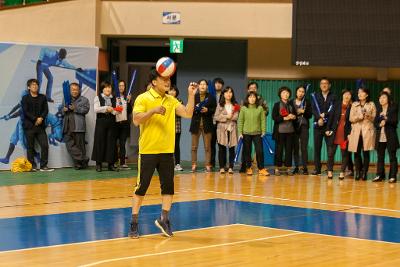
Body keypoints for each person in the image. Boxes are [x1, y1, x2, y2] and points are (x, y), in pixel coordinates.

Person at [129, 68, 197, 238]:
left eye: (169, 79)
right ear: (154, 82)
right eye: (163, 79)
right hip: (148, 151)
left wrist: (191, 94)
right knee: (141, 188)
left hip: (167, 151)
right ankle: (134, 223)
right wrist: (152, 111)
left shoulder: (171, 100)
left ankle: (164, 219)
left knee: (168, 188)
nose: (168, 82)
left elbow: (188, 113)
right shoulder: (143, 98)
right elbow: (136, 120)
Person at [21, 79, 53, 172]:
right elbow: (25, 111)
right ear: (28, 87)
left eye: (36, 84)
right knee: (30, 147)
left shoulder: (42, 97)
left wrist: (41, 118)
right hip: (29, 126)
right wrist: (35, 119)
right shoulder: (25, 98)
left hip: (40, 126)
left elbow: (45, 110)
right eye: (33, 85)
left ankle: (43, 166)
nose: (35, 86)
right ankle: (32, 166)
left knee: (45, 145)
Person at [239, 82, 269, 173]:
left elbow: (263, 120)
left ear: (256, 98)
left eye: (253, 97)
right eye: (250, 97)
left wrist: (263, 131)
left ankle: (261, 168)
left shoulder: (260, 108)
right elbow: (240, 121)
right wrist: (240, 132)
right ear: (247, 98)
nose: (252, 98)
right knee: (247, 151)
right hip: (246, 133)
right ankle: (248, 168)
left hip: (257, 133)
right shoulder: (243, 108)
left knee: (259, 151)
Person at [348, 87, 376, 181]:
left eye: (362, 92)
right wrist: (359, 117)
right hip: (356, 131)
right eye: (359, 92)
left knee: (366, 153)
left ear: (366, 94)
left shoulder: (371, 104)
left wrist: (369, 116)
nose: (359, 94)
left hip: (367, 131)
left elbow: (374, 118)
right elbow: (351, 118)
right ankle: (358, 172)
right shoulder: (355, 104)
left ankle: (364, 172)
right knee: (356, 153)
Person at [326, 89, 353, 179]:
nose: (347, 96)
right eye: (345, 94)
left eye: (349, 94)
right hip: (334, 132)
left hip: (345, 133)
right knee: (330, 154)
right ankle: (329, 171)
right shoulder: (337, 105)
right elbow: (330, 117)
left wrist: (350, 133)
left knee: (344, 154)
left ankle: (342, 172)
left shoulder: (352, 107)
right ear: (342, 95)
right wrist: (327, 129)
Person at [311, 78, 337, 176]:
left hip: (329, 126)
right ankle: (317, 169)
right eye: (322, 83)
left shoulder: (334, 96)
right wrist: (319, 118)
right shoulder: (315, 96)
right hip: (318, 125)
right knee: (317, 148)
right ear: (320, 85)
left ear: (329, 85)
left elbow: (333, 110)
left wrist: (325, 116)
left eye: (326, 83)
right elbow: (313, 109)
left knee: (330, 149)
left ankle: (329, 168)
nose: (324, 85)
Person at [190, 79, 216, 172]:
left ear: (207, 86)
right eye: (201, 84)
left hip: (207, 125)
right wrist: (196, 109)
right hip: (195, 125)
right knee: (194, 147)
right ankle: (193, 164)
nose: (202, 86)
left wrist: (207, 110)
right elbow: (189, 109)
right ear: (198, 86)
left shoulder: (211, 97)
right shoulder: (193, 96)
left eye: (204, 84)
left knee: (208, 147)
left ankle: (207, 164)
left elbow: (214, 109)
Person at [91, 81, 119, 172]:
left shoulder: (114, 98)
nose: (108, 89)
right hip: (101, 122)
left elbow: (116, 111)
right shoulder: (98, 97)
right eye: (106, 87)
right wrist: (106, 108)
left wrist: (114, 110)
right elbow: (96, 109)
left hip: (112, 123)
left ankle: (111, 164)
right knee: (100, 142)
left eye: (109, 87)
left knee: (111, 143)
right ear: (102, 89)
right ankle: (98, 164)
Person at [62, 82, 90, 170]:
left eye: (76, 89)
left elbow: (86, 110)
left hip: (79, 126)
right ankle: (84, 159)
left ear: (79, 90)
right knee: (70, 146)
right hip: (67, 126)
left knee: (80, 146)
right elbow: (62, 111)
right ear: (69, 91)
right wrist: (64, 110)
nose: (74, 91)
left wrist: (75, 108)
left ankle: (79, 165)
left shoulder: (84, 99)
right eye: (72, 90)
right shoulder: (66, 99)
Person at [373, 92, 399, 183]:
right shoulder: (378, 110)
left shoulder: (392, 109)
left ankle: (392, 176)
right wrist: (379, 124)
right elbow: (375, 123)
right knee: (380, 157)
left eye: (384, 97)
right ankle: (379, 175)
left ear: (388, 99)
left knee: (392, 157)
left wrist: (387, 120)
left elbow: (395, 121)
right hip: (380, 136)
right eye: (380, 98)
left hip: (390, 136)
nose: (381, 99)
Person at [213, 86, 239, 174]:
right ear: (223, 94)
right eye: (227, 92)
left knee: (232, 148)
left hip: (232, 128)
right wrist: (226, 117)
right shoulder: (220, 105)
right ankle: (222, 167)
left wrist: (231, 117)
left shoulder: (235, 105)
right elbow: (216, 117)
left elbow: (236, 116)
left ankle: (231, 167)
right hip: (221, 129)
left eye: (230, 92)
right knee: (221, 148)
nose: (229, 94)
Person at [272, 86, 297, 176]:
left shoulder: (291, 105)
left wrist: (294, 117)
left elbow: (295, 116)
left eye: (287, 93)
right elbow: (274, 117)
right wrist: (285, 118)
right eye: (283, 93)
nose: (285, 94)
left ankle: (288, 168)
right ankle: (277, 168)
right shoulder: (277, 104)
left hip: (290, 131)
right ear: (280, 95)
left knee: (289, 150)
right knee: (279, 150)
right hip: (280, 131)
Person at [291, 85, 312, 175]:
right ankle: (296, 167)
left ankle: (305, 167)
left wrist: (304, 111)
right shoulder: (291, 102)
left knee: (303, 148)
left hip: (304, 126)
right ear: (296, 92)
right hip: (293, 127)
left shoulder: (307, 102)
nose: (301, 93)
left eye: (303, 92)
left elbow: (310, 114)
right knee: (295, 148)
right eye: (299, 91)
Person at [115, 80, 133, 169]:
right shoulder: (113, 97)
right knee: (115, 143)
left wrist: (129, 102)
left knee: (122, 143)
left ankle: (122, 163)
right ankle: (114, 162)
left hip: (125, 124)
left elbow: (129, 111)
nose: (121, 87)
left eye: (123, 86)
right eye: (119, 85)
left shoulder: (127, 97)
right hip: (115, 123)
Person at [168, 85, 184, 171]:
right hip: (166, 128)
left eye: (174, 90)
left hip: (176, 128)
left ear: (176, 92)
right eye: (170, 90)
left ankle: (177, 164)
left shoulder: (179, 101)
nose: (172, 92)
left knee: (176, 146)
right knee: (166, 146)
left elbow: (180, 113)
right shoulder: (164, 101)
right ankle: (167, 164)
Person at [210, 77, 224, 170]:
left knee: (221, 144)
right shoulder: (210, 95)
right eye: (216, 83)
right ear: (214, 84)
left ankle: (222, 165)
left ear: (222, 85)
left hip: (221, 123)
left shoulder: (225, 94)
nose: (218, 84)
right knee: (211, 144)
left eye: (220, 83)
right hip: (211, 122)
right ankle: (212, 164)